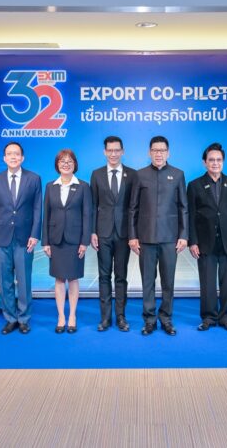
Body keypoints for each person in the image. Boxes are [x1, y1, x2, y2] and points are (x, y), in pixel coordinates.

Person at [129, 136, 188, 336]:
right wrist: (132, 236)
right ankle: (149, 320)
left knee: (168, 282)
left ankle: (166, 318)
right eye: (155, 150)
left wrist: (183, 235)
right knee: (148, 281)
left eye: (162, 150)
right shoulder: (140, 175)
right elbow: (133, 208)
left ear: (168, 153)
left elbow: (183, 208)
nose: (159, 153)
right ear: (149, 152)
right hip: (145, 238)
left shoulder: (178, 175)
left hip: (170, 239)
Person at [0, 142, 42, 335]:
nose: (13, 157)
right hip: (1, 238)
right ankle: (10, 318)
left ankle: (24, 318)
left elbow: (37, 209)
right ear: (4, 158)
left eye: (16, 154)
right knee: (5, 280)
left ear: (22, 158)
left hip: (25, 238)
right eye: (9, 154)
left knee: (24, 280)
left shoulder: (34, 179)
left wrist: (35, 234)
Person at [188, 143, 227, 331]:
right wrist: (193, 242)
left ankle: (226, 318)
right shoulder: (194, 185)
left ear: (223, 162)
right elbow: (191, 216)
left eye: (219, 160)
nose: (215, 163)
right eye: (211, 160)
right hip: (205, 243)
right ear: (204, 162)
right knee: (207, 284)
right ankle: (208, 318)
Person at [90, 136, 136, 332]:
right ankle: (105, 318)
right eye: (110, 150)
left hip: (124, 233)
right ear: (104, 152)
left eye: (117, 150)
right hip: (103, 233)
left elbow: (134, 206)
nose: (113, 154)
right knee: (104, 275)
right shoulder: (97, 174)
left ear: (122, 151)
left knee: (121, 276)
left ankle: (121, 317)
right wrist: (93, 231)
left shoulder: (132, 174)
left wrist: (134, 234)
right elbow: (93, 205)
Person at [42, 149, 91, 334]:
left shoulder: (83, 186)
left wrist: (84, 241)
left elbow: (87, 215)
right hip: (56, 240)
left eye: (69, 161)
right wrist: (45, 241)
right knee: (59, 278)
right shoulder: (50, 187)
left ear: (75, 164)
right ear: (57, 165)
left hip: (75, 240)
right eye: (62, 161)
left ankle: (72, 316)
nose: (66, 164)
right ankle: (61, 316)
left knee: (73, 278)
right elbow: (46, 215)